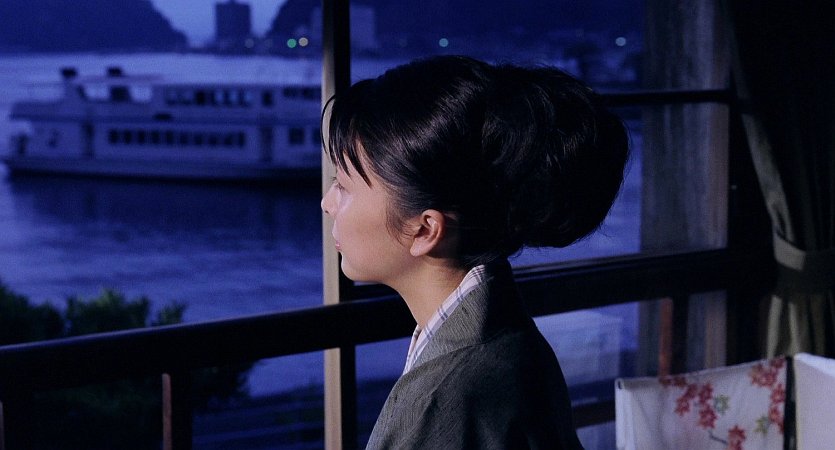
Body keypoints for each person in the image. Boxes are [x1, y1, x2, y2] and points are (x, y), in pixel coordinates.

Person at [321, 55, 629, 449]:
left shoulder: (439, 403)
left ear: (425, 229)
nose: (327, 203)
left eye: (343, 186)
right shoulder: (512, 339)